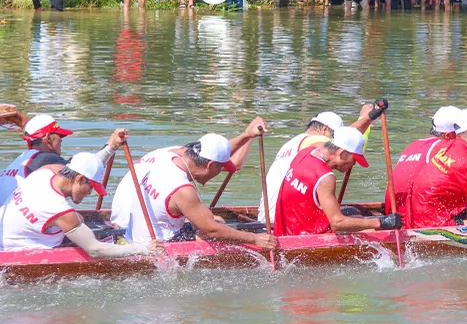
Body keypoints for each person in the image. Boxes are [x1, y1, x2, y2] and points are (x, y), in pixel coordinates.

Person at [110, 121, 278, 251]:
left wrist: (246, 135)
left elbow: (216, 151)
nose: (221, 172)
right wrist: (255, 239)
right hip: (157, 246)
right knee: (213, 231)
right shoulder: (182, 189)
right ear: (210, 165)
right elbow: (211, 230)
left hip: (134, 233)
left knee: (215, 219)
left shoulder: (170, 156)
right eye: (221, 168)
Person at [0, 151, 163, 258]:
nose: (90, 192)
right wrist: (143, 250)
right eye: (91, 186)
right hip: (19, 256)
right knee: (105, 243)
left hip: (8, 242)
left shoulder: (43, 173)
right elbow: (95, 250)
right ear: (79, 179)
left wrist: (110, 147)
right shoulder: (59, 209)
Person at [273, 127, 403, 236]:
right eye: (354, 159)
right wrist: (381, 222)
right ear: (341, 153)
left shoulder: (305, 153)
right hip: (305, 238)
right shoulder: (325, 177)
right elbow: (337, 223)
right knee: (373, 232)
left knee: (353, 213)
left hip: (285, 230)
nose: (353, 164)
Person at [258, 105, 378, 222]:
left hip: (268, 215)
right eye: (335, 136)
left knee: (349, 212)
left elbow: (349, 140)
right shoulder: (313, 141)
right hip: (281, 218)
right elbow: (347, 141)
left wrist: (366, 119)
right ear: (325, 129)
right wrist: (367, 118)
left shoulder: (292, 143)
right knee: (354, 216)